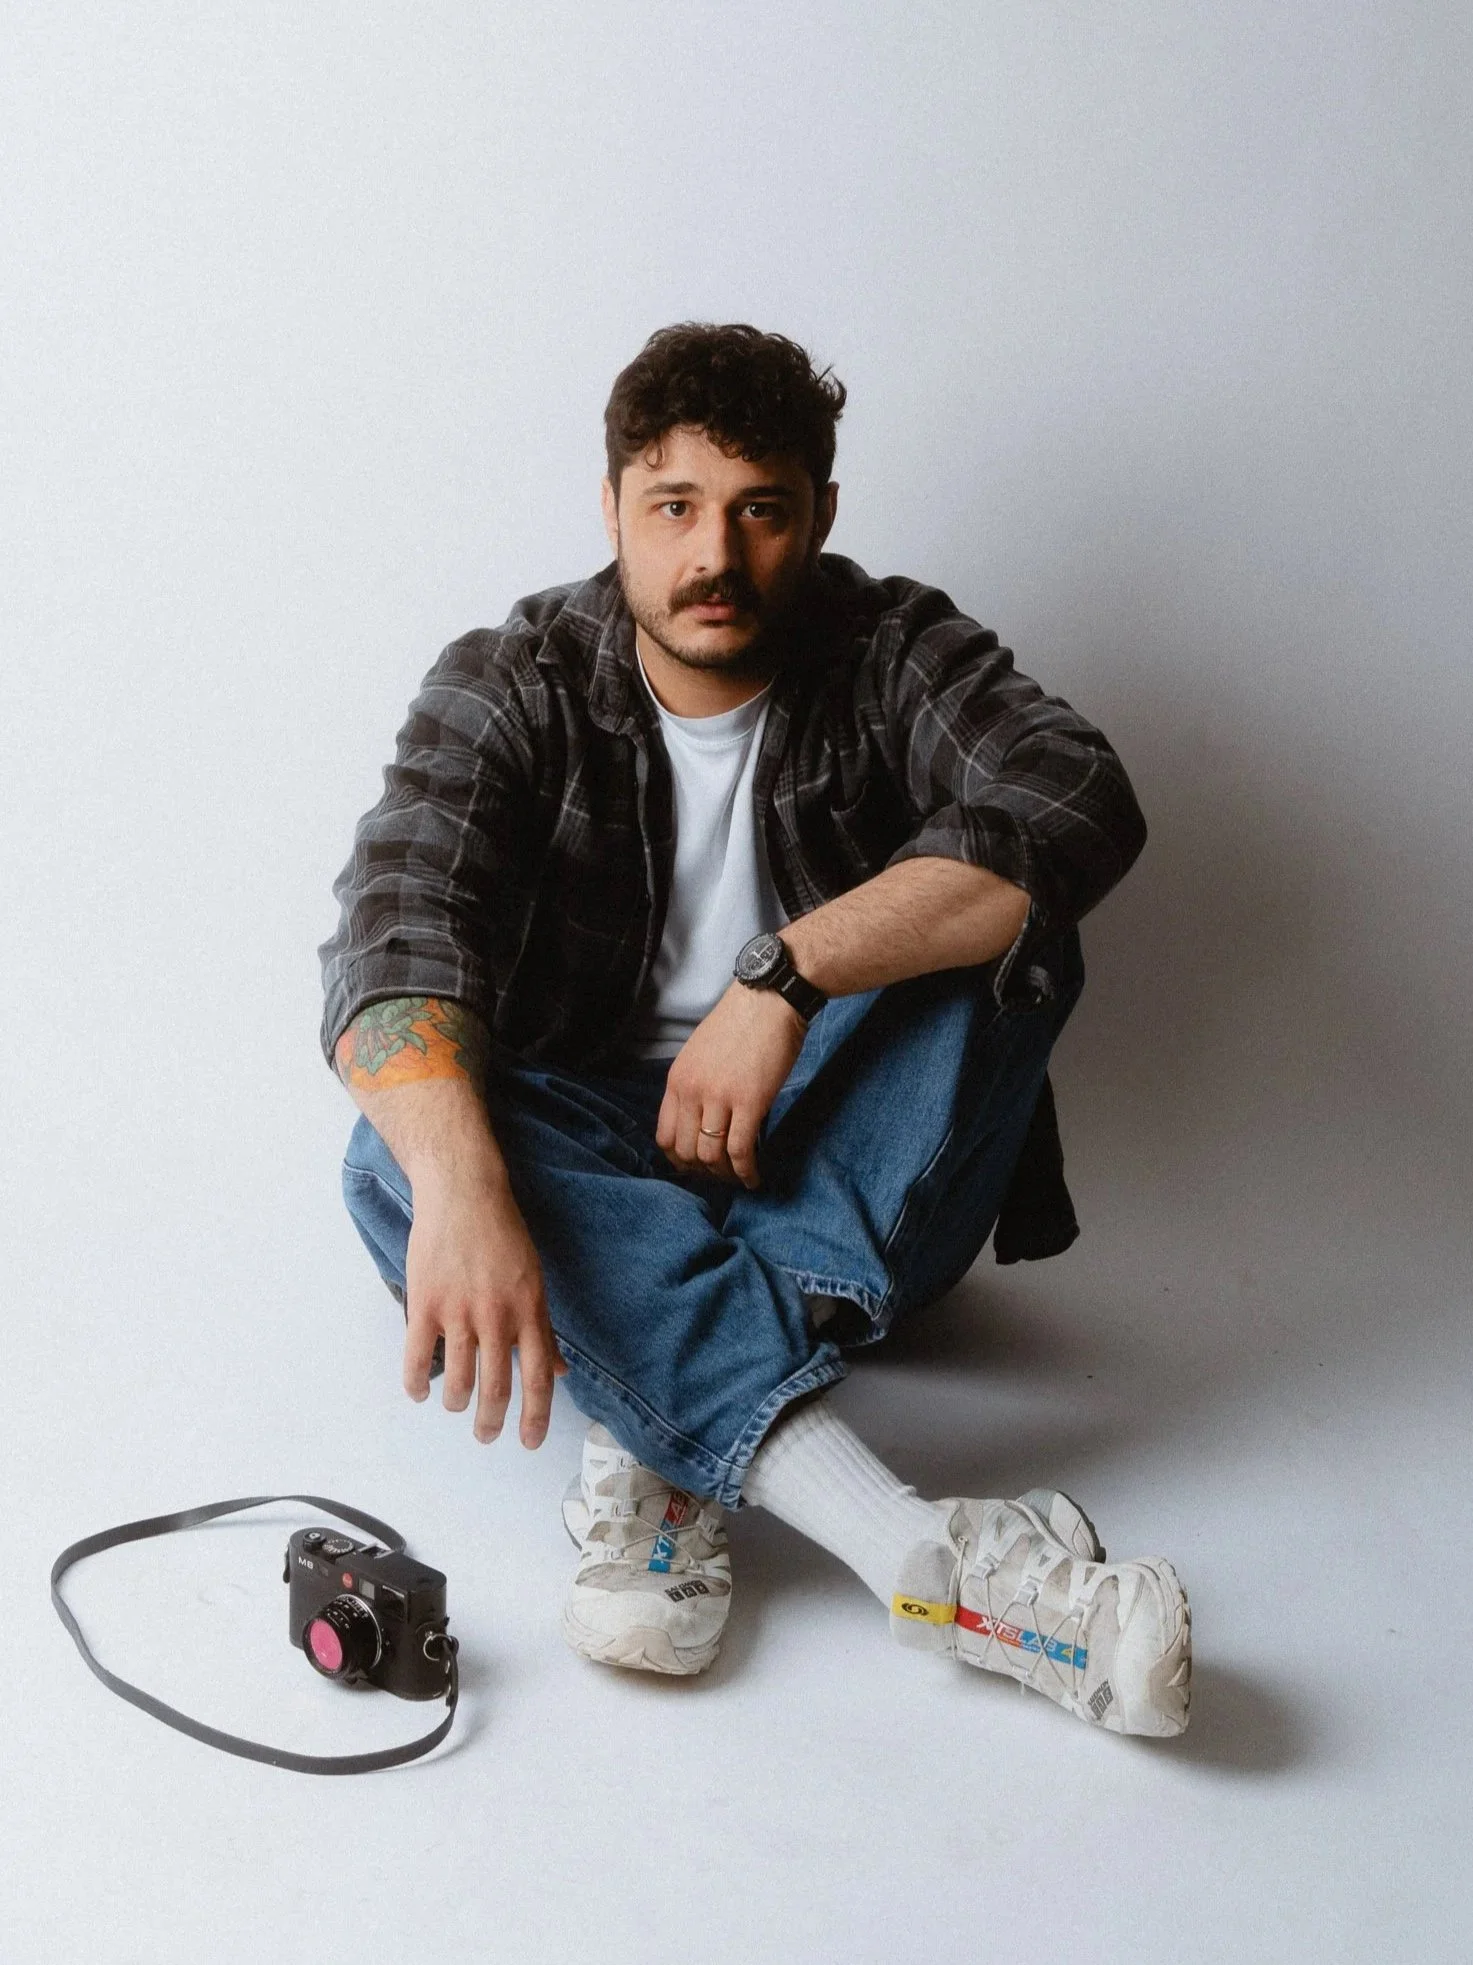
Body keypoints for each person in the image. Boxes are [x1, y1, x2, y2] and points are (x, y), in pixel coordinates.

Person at [320, 322, 1190, 1736]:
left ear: (819, 517)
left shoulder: (893, 643)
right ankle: (922, 1559)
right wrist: (468, 1185)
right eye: (673, 507)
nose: (715, 554)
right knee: (397, 1151)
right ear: (611, 510)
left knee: (1013, 928)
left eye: (760, 510)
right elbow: (399, 924)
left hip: (836, 1159)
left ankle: (657, 1425)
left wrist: (782, 979)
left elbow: (1075, 797)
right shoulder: (514, 678)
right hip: (606, 1139)